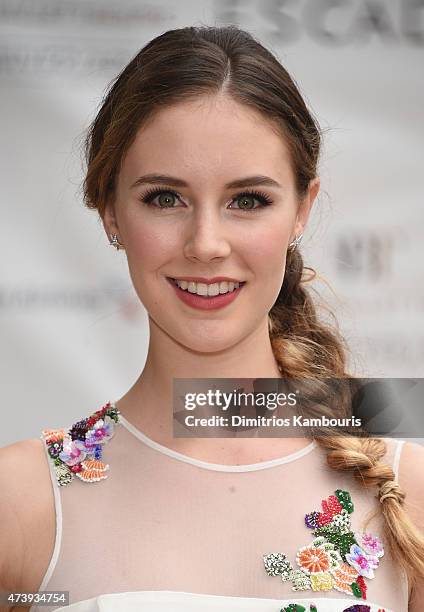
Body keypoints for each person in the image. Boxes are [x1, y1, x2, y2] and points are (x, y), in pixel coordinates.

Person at [0, 25, 423, 612]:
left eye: (247, 200)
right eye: (164, 198)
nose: (205, 244)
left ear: (302, 209)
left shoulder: (412, 491)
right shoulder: (18, 501)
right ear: (109, 211)